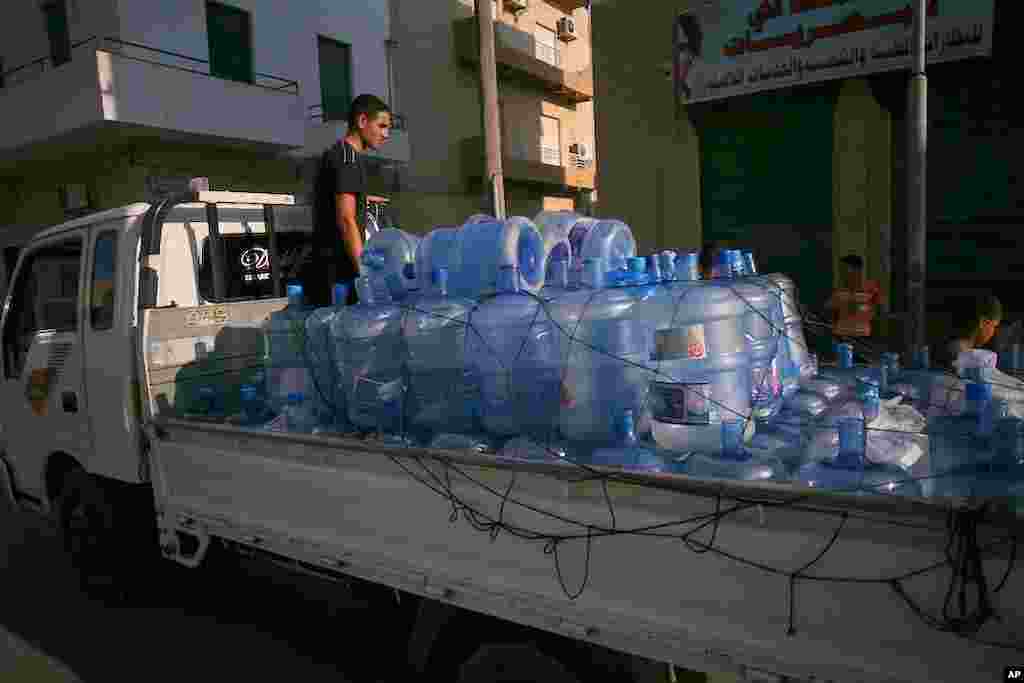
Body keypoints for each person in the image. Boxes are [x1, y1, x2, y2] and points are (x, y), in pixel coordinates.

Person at [303, 94, 392, 307]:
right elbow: (346, 220)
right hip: (338, 277)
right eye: (381, 126)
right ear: (362, 122)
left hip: (326, 271)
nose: (386, 134)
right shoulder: (348, 159)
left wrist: (363, 198)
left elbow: (337, 196)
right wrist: (365, 275)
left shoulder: (338, 153)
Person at [934, 292, 1002, 371]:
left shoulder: (945, 348)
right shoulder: (967, 357)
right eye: (994, 326)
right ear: (983, 322)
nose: (993, 332)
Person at [825, 254, 883, 338]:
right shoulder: (839, 292)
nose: (842, 273)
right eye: (841, 270)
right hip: (841, 337)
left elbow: (879, 313)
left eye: (845, 269)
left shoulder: (871, 289)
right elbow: (827, 311)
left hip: (863, 337)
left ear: (857, 270)